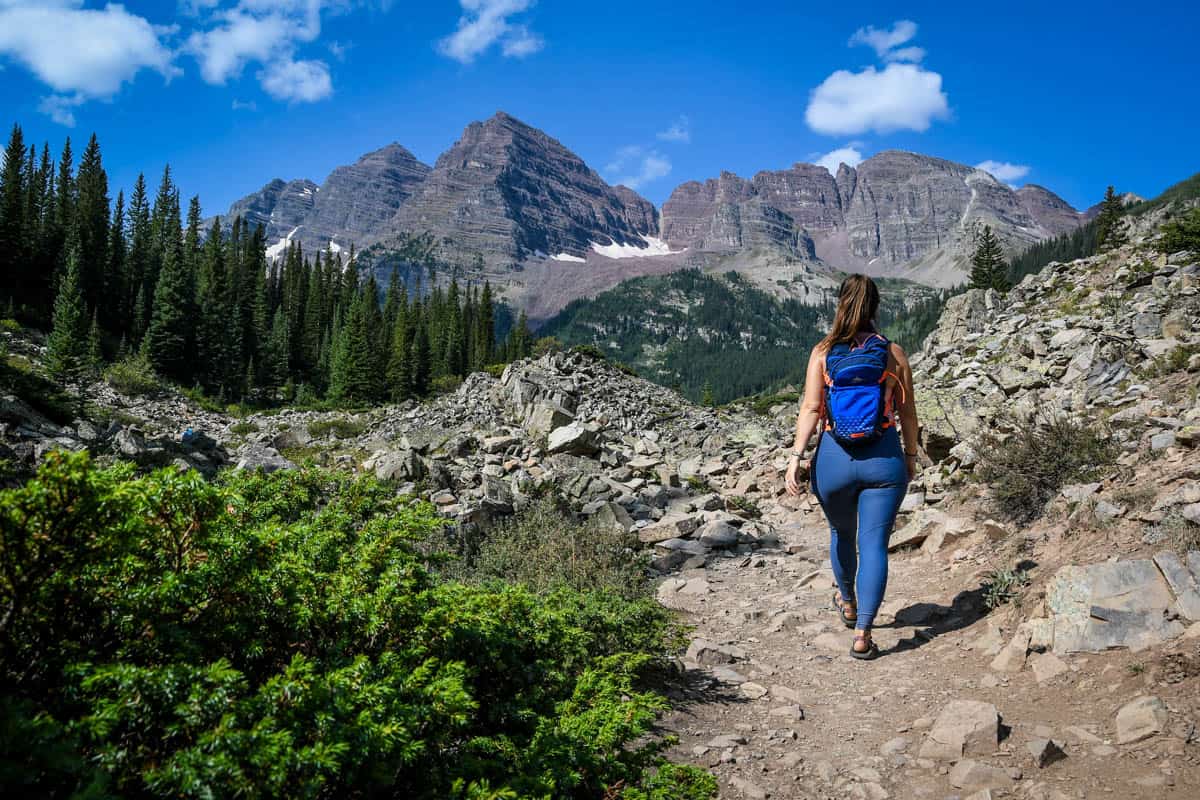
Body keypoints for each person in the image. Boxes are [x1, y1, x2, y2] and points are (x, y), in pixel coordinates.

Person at [784, 274, 919, 660]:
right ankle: (863, 634)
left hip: (833, 460)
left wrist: (795, 458)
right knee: (874, 544)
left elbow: (811, 409)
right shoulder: (893, 353)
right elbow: (908, 415)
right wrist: (909, 457)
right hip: (884, 460)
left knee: (842, 534)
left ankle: (847, 602)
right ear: (876, 307)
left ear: (840, 304)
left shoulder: (823, 352)